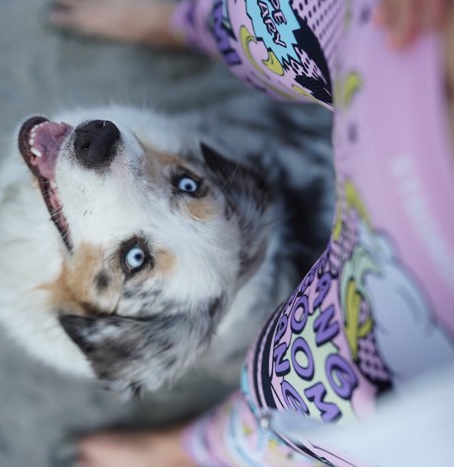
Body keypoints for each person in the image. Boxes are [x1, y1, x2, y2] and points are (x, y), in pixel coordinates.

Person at [52, 0, 454, 465]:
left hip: (431, 276)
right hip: (405, 33)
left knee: (312, 401)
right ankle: (187, 20)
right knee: (269, 19)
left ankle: (195, 450)